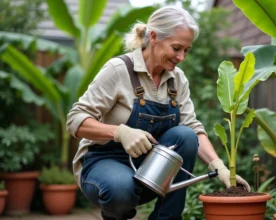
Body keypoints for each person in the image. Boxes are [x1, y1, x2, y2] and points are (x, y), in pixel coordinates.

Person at [66, 5, 250, 220]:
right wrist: (121, 133)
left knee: (185, 136)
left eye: (186, 50)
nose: (182, 57)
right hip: (104, 164)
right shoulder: (119, 70)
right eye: (176, 48)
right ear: (153, 37)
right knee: (120, 189)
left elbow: (193, 128)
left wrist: (220, 168)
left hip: (152, 170)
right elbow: (75, 120)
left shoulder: (177, 79)